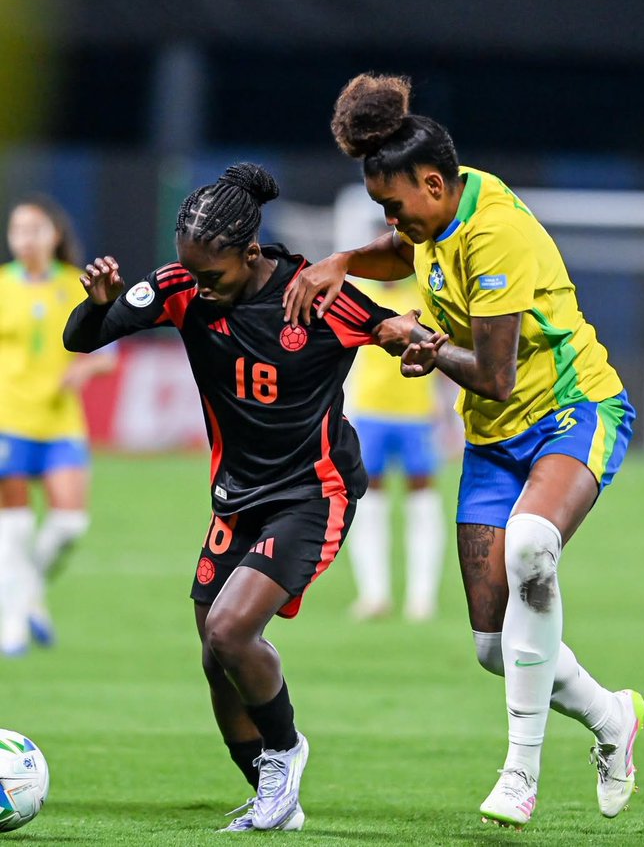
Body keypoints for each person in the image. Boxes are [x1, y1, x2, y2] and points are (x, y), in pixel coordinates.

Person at [283, 73, 644, 829]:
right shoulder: (439, 211)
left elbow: (493, 373)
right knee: (493, 646)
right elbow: (402, 251)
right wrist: (342, 261)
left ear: (432, 183)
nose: (392, 221)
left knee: (532, 546)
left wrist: (413, 340)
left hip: (571, 410)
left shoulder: (495, 234)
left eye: (394, 206)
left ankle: (520, 772)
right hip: (493, 436)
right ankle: (611, 717)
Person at [62, 162, 403, 833]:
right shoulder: (180, 286)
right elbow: (82, 338)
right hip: (236, 500)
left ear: (250, 253)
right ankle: (273, 795)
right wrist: (99, 303)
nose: (199, 285)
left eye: (211, 274)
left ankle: (286, 752)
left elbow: (394, 331)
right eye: (190, 271)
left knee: (230, 630)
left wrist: (417, 342)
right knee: (216, 657)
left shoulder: (313, 295)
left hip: (313, 492)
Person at [0, 195, 117, 656]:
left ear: (55, 235)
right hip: (9, 419)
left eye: (35, 229)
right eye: (17, 230)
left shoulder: (76, 284)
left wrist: (84, 368)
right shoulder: (2, 285)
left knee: (69, 524)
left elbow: (108, 353)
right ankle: (11, 624)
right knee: (15, 526)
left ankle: (28, 594)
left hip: (61, 421)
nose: (25, 239)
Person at [347, 275, 446, 621]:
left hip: (417, 412)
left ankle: (422, 597)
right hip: (370, 411)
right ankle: (374, 594)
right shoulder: (361, 294)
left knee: (422, 499)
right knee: (368, 499)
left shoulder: (424, 295)